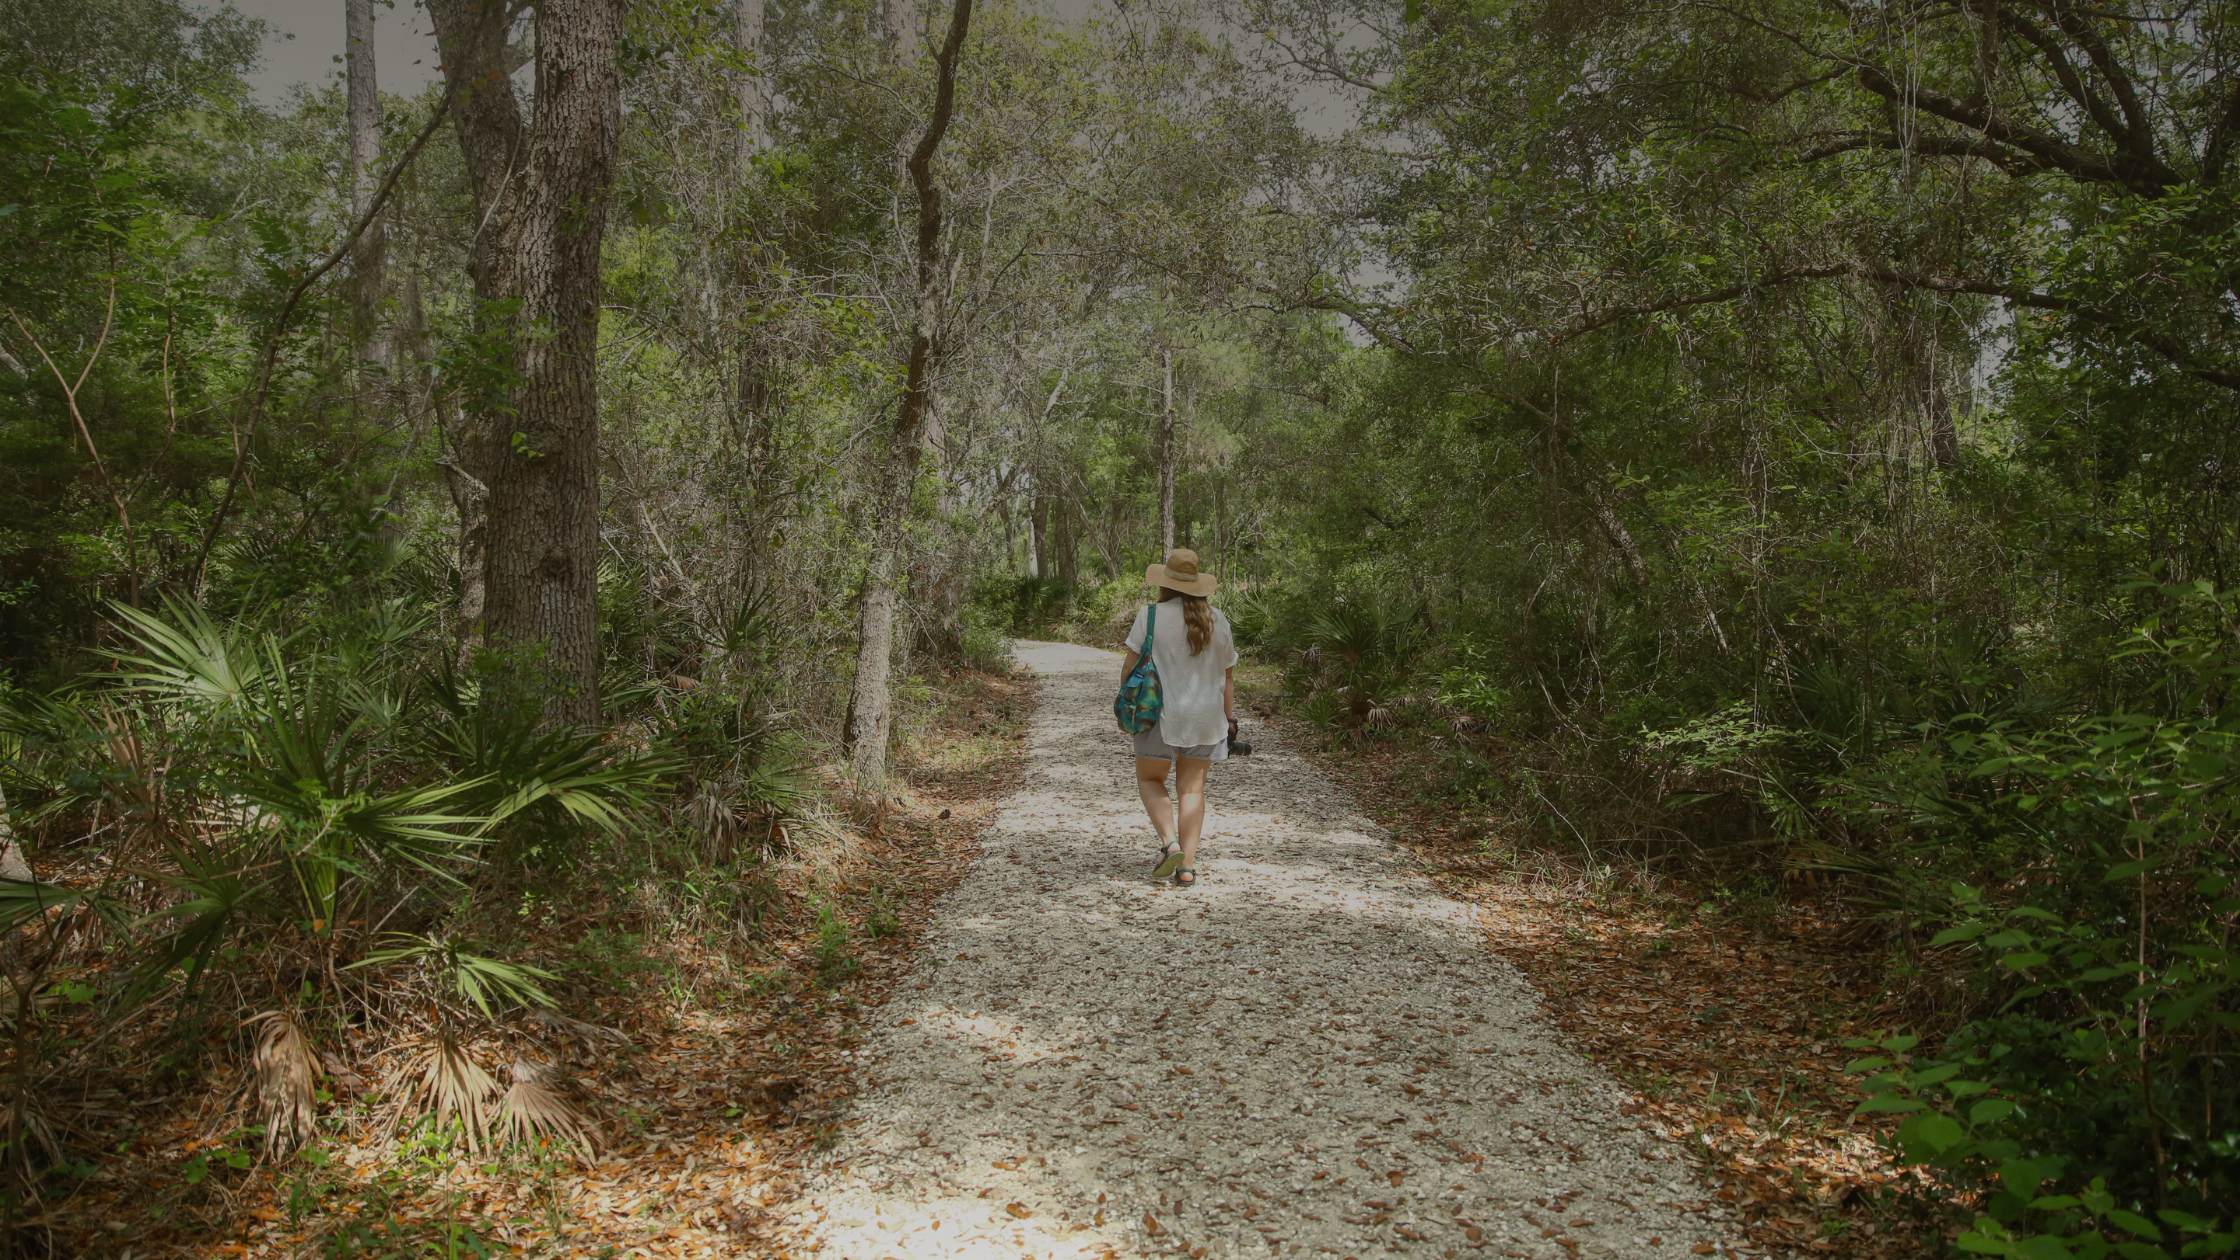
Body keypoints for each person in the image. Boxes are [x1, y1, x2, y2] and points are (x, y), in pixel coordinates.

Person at [1119, 548, 1239, 887]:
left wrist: (1126, 705)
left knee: (1149, 780)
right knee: (1192, 790)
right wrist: (1229, 720)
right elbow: (1228, 677)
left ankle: (1170, 843)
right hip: (1206, 718)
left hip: (1157, 716)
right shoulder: (1218, 620)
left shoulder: (1150, 615)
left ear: (1166, 583)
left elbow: (1130, 667)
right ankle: (1186, 866)